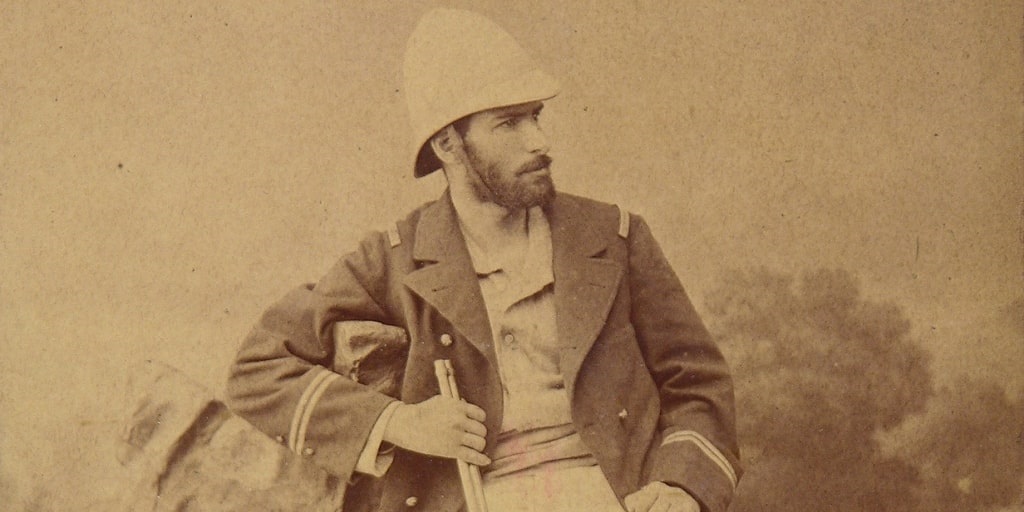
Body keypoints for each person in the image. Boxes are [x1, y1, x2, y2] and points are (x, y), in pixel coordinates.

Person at [226, 8, 740, 512]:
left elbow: (698, 383)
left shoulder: (615, 237)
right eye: (509, 124)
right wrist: (398, 422)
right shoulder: (394, 259)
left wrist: (680, 487)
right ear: (448, 144)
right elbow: (258, 369)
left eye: (535, 116)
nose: (539, 142)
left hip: (618, 493)